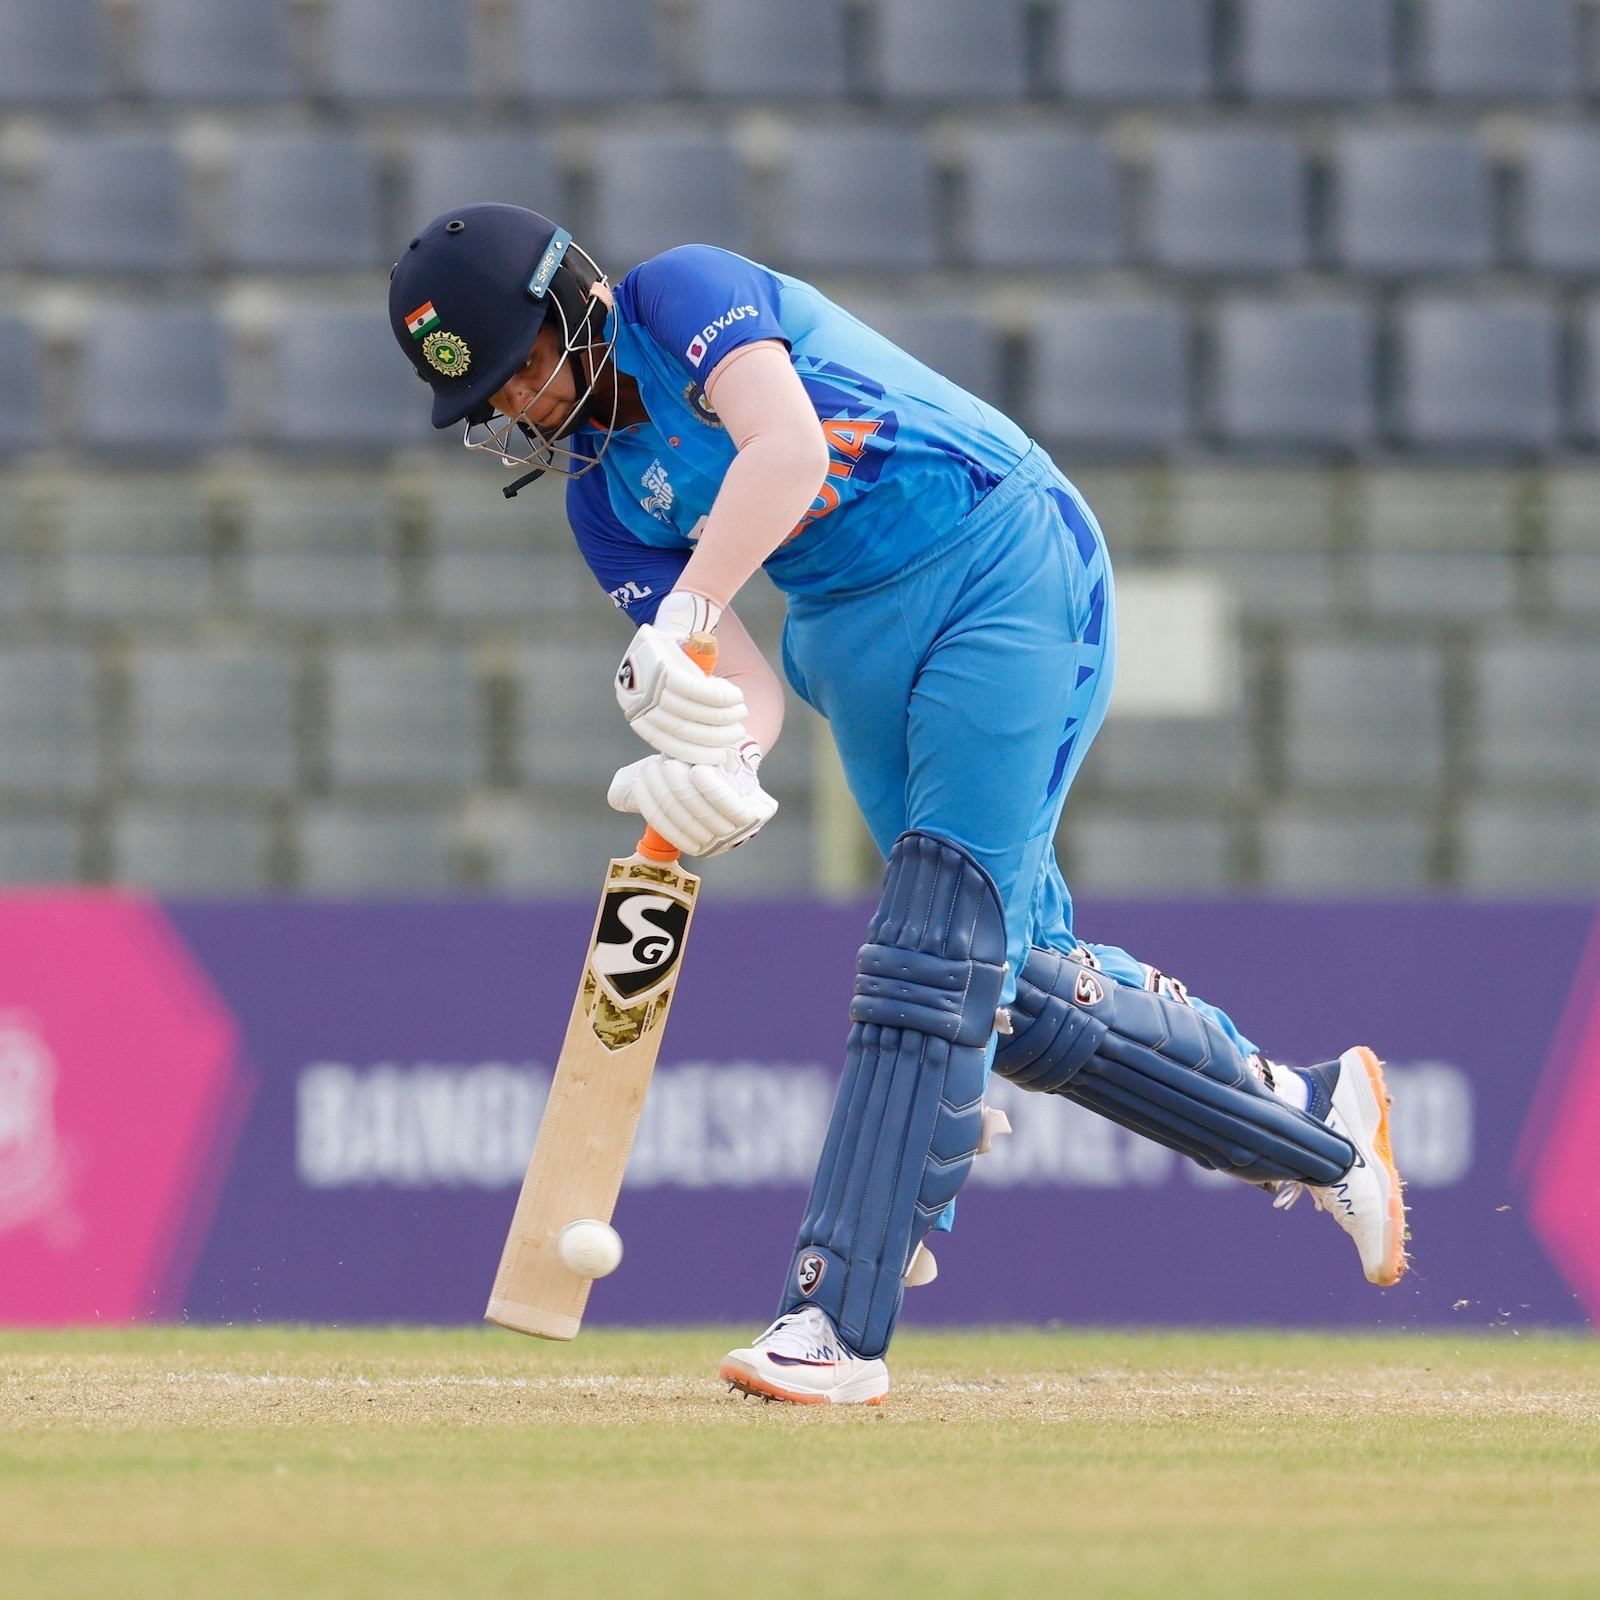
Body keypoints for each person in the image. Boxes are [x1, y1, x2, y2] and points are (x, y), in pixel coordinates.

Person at [389, 205, 1408, 1406]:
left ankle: (832, 1317)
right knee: (1009, 990)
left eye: (519, 368)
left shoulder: (683, 296)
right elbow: (741, 698)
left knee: (934, 944)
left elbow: (787, 452)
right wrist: (715, 762)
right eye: (491, 401)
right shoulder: (603, 505)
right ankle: (1315, 1122)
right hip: (850, 633)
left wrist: (689, 616)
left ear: (573, 304)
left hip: (998, 556)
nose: (516, 405)